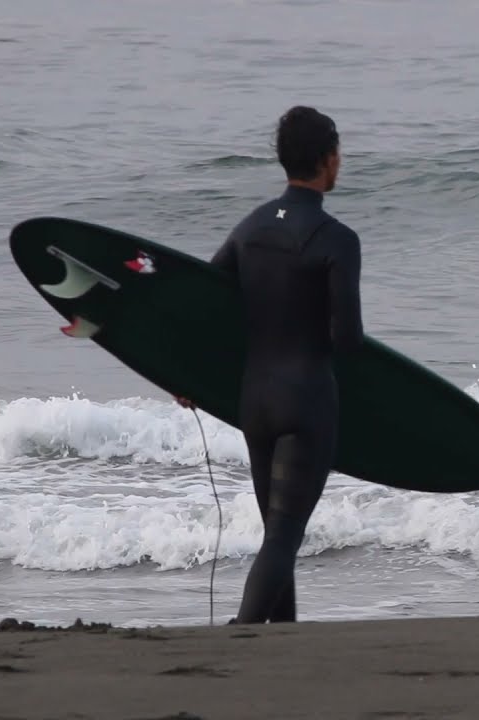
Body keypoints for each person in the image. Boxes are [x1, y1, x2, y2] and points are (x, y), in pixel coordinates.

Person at [176, 105, 364, 623]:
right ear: (328, 160)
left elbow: (204, 304)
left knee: (277, 534)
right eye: (338, 154)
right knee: (284, 535)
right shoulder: (337, 240)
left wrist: (186, 374)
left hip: (254, 402)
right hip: (307, 402)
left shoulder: (251, 228)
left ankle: (280, 637)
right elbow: (347, 341)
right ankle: (243, 632)